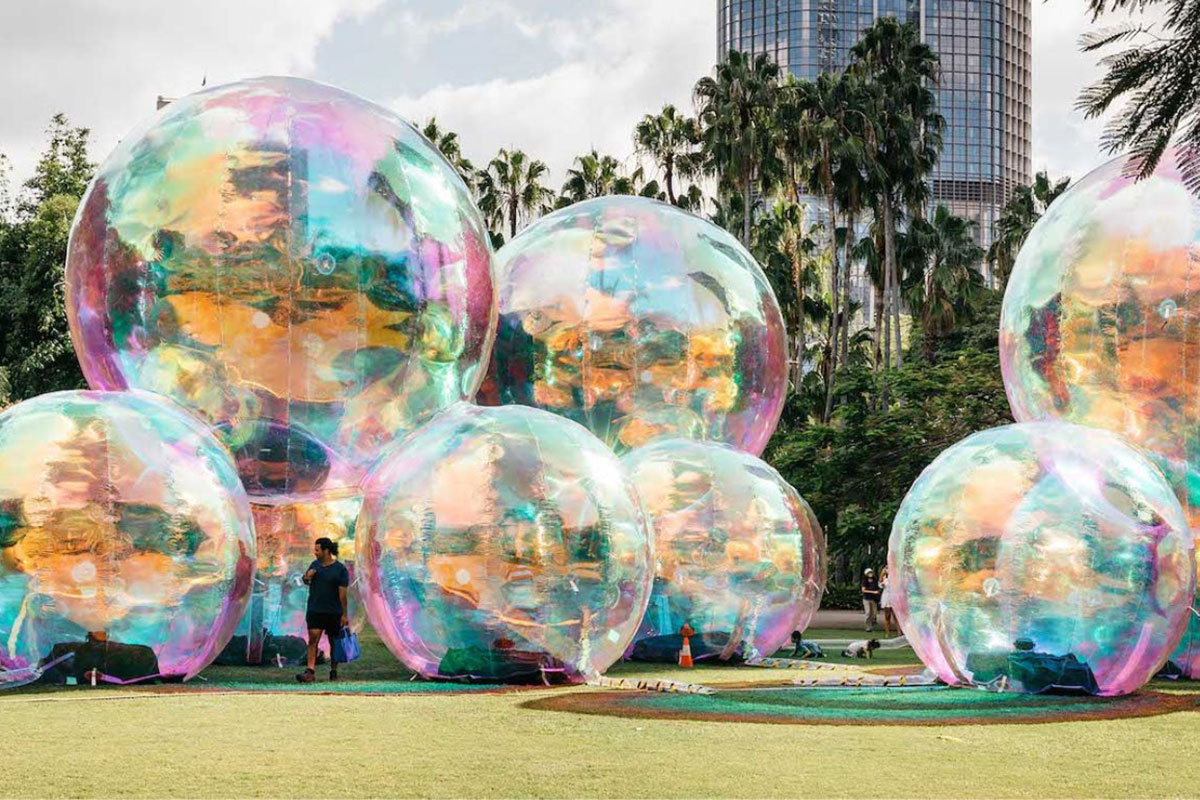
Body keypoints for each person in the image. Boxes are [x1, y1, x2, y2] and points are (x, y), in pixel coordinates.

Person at [296, 537, 350, 683]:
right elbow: (306, 580)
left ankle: (333, 670)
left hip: (333, 611)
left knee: (334, 642)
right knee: (313, 638)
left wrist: (344, 614)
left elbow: (343, 594)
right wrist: (307, 576)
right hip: (315, 609)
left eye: (317, 550)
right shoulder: (315, 565)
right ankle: (310, 671)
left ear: (326, 551)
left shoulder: (340, 570)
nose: (315, 553)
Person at [878, 566, 898, 637]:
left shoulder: (895, 577)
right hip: (886, 596)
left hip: (894, 595)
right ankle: (887, 632)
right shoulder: (884, 578)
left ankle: (899, 632)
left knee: (896, 615)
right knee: (887, 616)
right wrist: (882, 584)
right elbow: (880, 584)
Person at [861, 568, 881, 632]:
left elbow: (878, 587)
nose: (870, 574)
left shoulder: (875, 580)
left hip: (873, 599)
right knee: (868, 612)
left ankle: (873, 624)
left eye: (871, 572)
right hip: (866, 599)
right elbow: (863, 590)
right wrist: (873, 592)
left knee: (874, 613)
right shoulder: (865, 581)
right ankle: (868, 627)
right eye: (869, 573)